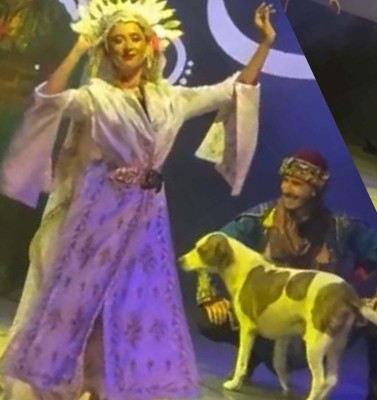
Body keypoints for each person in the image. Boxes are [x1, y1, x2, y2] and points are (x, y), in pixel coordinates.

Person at [0, 1, 277, 399]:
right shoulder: (96, 96)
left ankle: (108, 383)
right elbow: (51, 99)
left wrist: (265, 44)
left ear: (150, 45)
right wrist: (78, 50)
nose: (126, 46)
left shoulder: (171, 98)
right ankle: (60, 380)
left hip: (147, 214)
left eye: (134, 38)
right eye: (116, 40)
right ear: (107, 49)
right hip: (99, 210)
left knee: (133, 301)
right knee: (83, 297)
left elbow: (231, 90)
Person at [195, 149, 377, 400]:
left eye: (296, 184)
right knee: (210, 319)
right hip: (269, 320)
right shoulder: (261, 218)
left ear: (314, 189)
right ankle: (252, 356)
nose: (286, 189)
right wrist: (210, 296)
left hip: (317, 321)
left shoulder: (340, 226)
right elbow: (212, 245)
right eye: (285, 181)